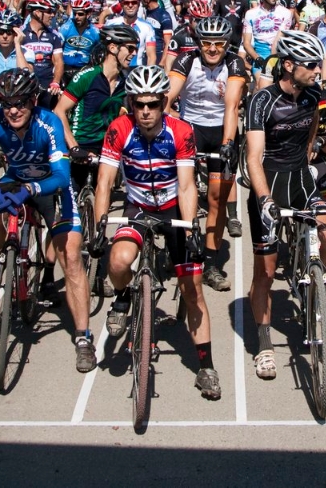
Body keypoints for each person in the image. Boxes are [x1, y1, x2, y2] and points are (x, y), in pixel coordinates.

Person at [92, 65, 220, 400]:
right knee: (118, 262)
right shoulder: (119, 130)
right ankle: (121, 299)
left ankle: (206, 366)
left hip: (172, 207)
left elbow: (189, 186)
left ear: (165, 101)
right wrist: (99, 224)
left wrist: (192, 228)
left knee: (192, 289)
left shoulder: (181, 131)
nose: (146, 111)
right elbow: (104, 181)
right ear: (131, 103)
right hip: (137, 206)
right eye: (139, 104)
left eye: (153, 104)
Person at [0, 69, 95, 372]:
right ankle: (9, 262)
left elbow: (62, 177)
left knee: (72, 258)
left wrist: (31, 189)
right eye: (6, 103)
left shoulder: (48, 122)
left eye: (20, 102)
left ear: (33, 100)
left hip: (51, 187)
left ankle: (83, 337)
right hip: (16, 180)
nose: (13, 110)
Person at [245, 30, 326, 381]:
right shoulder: (262, 101)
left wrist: (309, 154)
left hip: (302, 180)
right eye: (310, 66)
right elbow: (254, 159)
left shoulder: (313, 94)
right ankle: (263, 344)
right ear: (289, 66)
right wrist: (264, 200)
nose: (317, 71)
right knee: (266, 273)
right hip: (270, 186)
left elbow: (316, 124)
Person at [166, 17, 247, 291]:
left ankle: (211, 264)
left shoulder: (234, 63)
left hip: (222, 129)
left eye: (219, 44)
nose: (212, 49)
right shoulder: (186, 61)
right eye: (207, 43)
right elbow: (168, 97)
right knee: (181, 190)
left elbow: (232, 105)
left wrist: (227, 143)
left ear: (227, 44)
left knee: (217, 200)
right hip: (191, 128)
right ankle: (182, 246)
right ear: (199, 43)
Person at [57, 23, 140, 196]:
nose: (134, 53)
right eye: (130, 48)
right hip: (80, 144)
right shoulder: (87, 76)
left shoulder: (126, 83)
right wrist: (73, 147)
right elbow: (59, 111)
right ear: (112, 47)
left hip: (106, 148)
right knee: (70, 203)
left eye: (135, 49)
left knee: (101, 202)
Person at [241, 0, 295, 88]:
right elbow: (246, 42)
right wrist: (257, 58)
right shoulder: (250, 14)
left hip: (278, 53)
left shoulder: (285, 13)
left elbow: (279, 39)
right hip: (259, 54)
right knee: (262, 87)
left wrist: (273, 60)